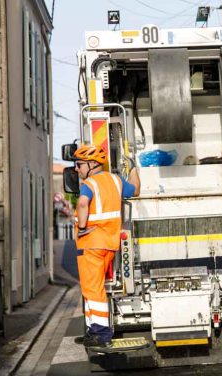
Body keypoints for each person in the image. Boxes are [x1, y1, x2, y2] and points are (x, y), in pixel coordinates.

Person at [72, 144, 140, 350]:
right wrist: (135, 169)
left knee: (93, 289)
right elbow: (135, 190)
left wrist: (82, 226)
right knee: (93, 287)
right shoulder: (116, 180)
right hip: (109, 245)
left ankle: (101, 334)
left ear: (92, 164)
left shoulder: (89, 183)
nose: (77, 169)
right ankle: (94, 331)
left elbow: (83, 203)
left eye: (79, 165)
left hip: (91, 244)